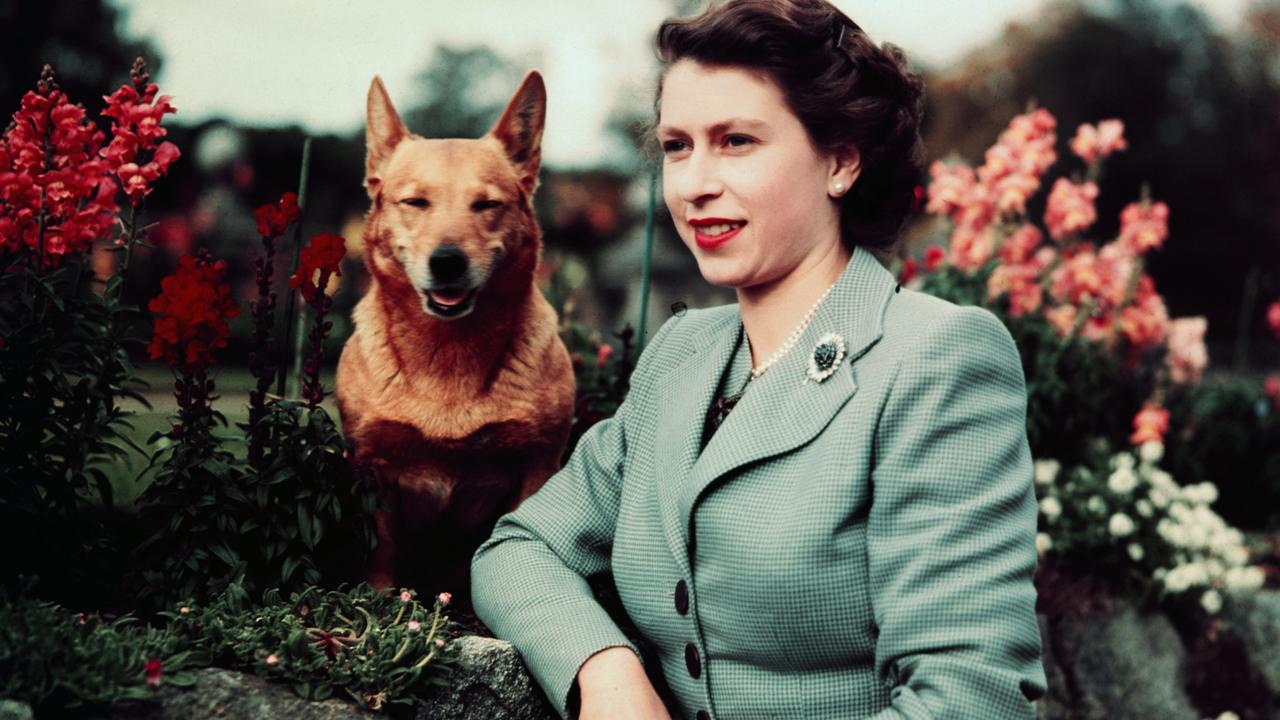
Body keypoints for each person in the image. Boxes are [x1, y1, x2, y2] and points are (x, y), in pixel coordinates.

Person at [471, 1, 1049, 718]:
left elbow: (971, 698)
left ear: (839, 160)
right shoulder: (680, 356)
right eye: (677, 145)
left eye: (737, 140)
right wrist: (605, 668)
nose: (693, 183)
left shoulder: (938, 359)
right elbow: (520, 549)